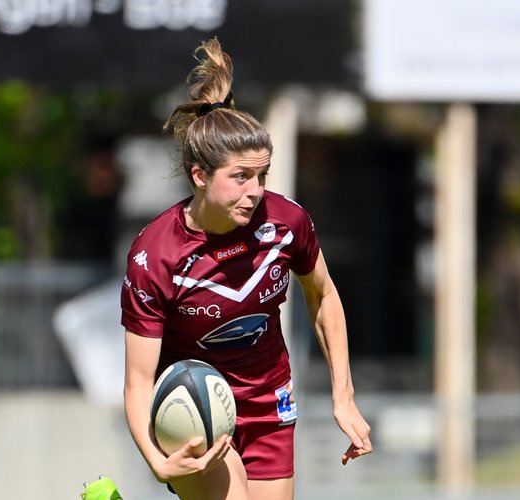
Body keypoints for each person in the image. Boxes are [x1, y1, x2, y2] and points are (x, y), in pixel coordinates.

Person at [120, 38, 372, 500]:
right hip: (197, 408)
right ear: (200, 175)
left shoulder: (286, 223)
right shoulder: (155, 255)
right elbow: (137, 382)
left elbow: (324, 297)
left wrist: (344, 397)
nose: (255, 191)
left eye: (262, 175)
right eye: (240, 177)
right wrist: (158, 462)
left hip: (269, 401)